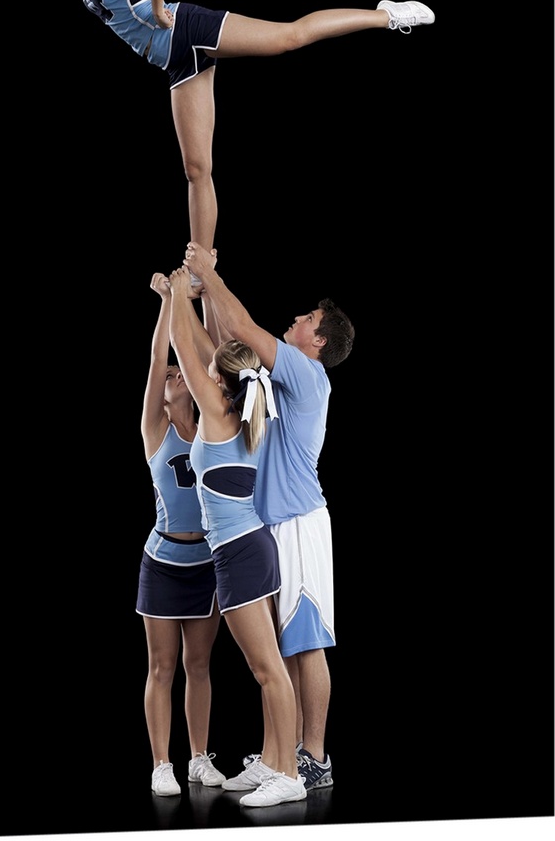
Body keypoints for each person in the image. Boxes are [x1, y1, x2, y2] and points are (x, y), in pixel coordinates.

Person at [56, 0, 435, 254]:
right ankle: (200, 270)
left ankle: (387, 15)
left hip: (185, 29)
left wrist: (157, 6)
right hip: (173, 62)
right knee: (196, 170)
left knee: (289, 37)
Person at [182, 241, 355, 794]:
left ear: (319, 341)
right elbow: (229, 343)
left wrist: (209, 274)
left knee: (306, 642)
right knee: (280, 649)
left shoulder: (306, 373)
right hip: (270, 527)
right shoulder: (277, 380)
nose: (298, 319)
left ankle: (313, 759)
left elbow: (245, 327)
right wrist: (205, 289)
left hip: (299, 523)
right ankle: (281, 754)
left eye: (308, 319)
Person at [166, 265, 307, 808]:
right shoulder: (247, 408)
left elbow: (187, 344)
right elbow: (213, 349)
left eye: (209, 370)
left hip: (243, 554)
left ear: (217, 378)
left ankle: (289, 773)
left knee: (267, 669)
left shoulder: (224, 415)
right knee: (267, 667)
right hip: (244, 552)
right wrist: (200, 292)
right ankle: (276, 762)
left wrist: (180, 291)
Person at [137, 272, 227, 798]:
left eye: (181, 372)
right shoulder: (157, 431)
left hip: (207, 562)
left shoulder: (213, 426)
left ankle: (198, 758)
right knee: (163, 665)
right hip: (164, 560)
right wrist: (169, 302)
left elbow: (208, 358)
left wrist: (188, 297)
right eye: (171, 376)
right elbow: (155, 360)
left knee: (199, 664)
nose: (175, 373)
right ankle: (160, 764)